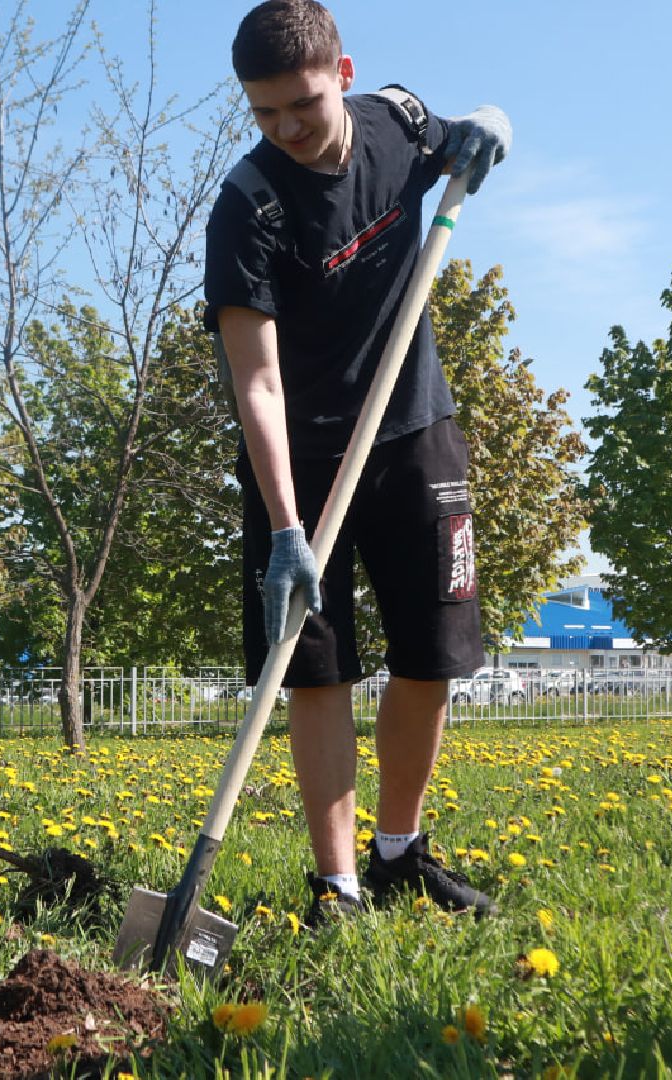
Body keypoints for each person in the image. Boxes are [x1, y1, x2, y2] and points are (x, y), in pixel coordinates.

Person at [203, 0, 509, 927]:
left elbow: (455, 132)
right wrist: (286, 530)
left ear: (341, 74)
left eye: (300, 103)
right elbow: (255, 384)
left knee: (433, 653)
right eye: (263, 113)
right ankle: (335, 885)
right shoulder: (247, 205)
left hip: (413, 431)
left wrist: (486, 129)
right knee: (314, 667)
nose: (286, 129)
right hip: (299, 457)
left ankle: (397, 854)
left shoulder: (395, 121)